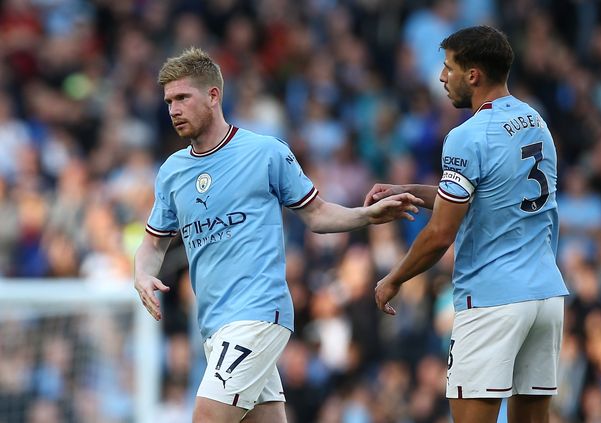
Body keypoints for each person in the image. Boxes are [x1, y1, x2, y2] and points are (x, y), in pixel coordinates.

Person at [133, 47, 423, 423]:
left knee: (206, 417)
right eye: (169, 100)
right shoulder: (173, 171)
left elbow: (317, 215)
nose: (173, 109)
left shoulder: (265, 152)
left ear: (213, 95)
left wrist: (365, 216)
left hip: (257, 313)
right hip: (214, 324)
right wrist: (142, 273)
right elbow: (154, 243)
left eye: (182, 98)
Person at [366, 26, 569, 423]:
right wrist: (408, 189)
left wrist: (393, 279)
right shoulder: (535, 121)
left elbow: (441, 233)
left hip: (492, 300)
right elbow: (487, 193)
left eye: (448, 68)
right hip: (545, 297)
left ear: (473, 75)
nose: (442, 78)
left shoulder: (467, 136)